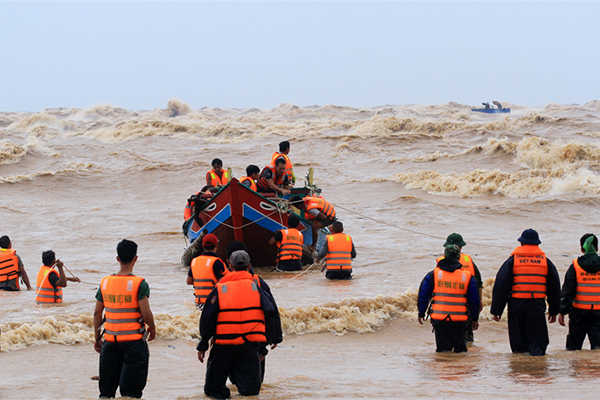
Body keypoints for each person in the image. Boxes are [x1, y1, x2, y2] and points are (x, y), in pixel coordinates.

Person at [197, 250, 283, 399]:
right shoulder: (258, 285)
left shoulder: (220, 286)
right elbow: (271, 313)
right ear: (249, 265)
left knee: (213, 390)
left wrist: (203, 344)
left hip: (224, 346)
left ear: (229, 265)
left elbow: (208, 318)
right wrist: (270, 341)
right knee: (250, 392)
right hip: (250, 347)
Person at [93, 239, 156, 399]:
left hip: (110, 342)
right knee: (131, 393)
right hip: (134, 344)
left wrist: (97, 338)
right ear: (136, 258)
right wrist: (152, 328)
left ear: (117, 258)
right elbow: (146, 314)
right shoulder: (139, 284)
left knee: (106, 392)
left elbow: (97, 313)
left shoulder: (105, 283)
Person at [490, 229, 561, 356]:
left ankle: (521, 370)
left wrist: (496, 310)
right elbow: (554, 287)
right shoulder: (546, 262)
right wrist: (554, 310)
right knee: (538, 344)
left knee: (519, 346)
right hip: (537, 307)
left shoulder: (512, 261)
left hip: (516, 307)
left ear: (522, 243)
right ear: (537, 244)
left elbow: (501, 286)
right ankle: (536, 368)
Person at [418, 244, 480, 353]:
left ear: (444, 256)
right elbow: (474, 300)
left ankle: (444, 369)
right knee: (460, 352)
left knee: (443, 351)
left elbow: (423, 294)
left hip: (439, 319)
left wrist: (421, 313)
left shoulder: (434, 274)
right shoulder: (467, 276)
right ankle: (457, 369)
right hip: (459, 320)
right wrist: (474, 319)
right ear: (458, 257)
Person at [437, 233, 483, 342]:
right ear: (461, 247)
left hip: (443, 307)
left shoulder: (440, 263)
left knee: (445, 340)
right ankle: (465, 355)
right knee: (466, 338)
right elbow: (478, 283)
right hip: (465, 307)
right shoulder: (469, 262)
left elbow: (432, 284)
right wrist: (479, 302)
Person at [558, 233, 600, 350]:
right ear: (597, 248)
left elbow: (568, 292)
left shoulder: (575, 266)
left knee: (573, 349)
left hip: (578, 314)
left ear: (582, 249)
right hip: (599, 315)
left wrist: (562, 311)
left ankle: (576, 368)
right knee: (598, 351)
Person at [187, 233, 227, 308]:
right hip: (213, 302)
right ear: (217, 246)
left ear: (202, 246)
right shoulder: (217, 262)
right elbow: (223, 283)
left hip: (199, 302)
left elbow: (189, 281)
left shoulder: (194, 261)